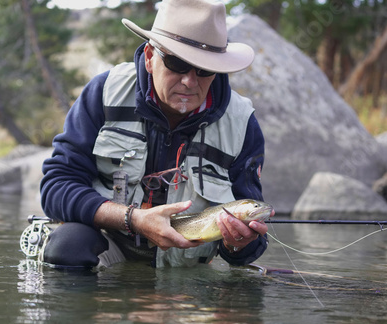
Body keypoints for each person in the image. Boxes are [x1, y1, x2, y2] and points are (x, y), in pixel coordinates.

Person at [39, 0, 271, 269]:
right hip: (109, 247)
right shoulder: (104, 93)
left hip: (188, 267)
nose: (189, 81)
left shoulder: (243, 123)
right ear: (150, 57)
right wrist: (132, 219)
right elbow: (56, 187)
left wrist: (237, 243)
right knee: (68, 246)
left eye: (205, 69)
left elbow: (247, 252)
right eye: (176, 63)